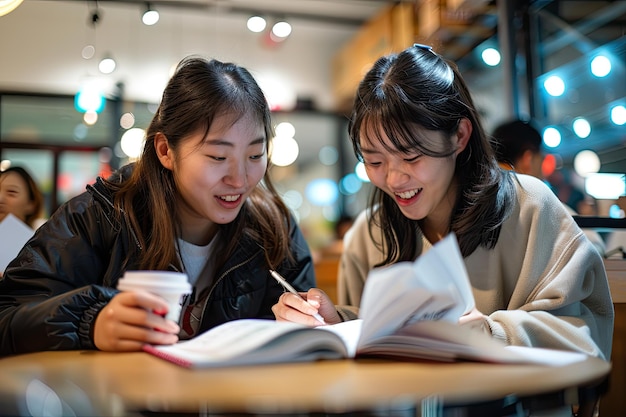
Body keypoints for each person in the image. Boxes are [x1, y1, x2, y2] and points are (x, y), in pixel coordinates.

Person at [272, 44, 613, 362]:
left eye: (411, 155)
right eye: (375, 162)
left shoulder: (530, 207)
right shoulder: (369, 234)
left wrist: (492, 335)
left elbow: (586, 332)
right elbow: (371, 341)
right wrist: (336, 322)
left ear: (460, 136)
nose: (393, 180)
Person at [0, 56, 315, 356]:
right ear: (166, 151)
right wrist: (89, 323)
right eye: (219, 157)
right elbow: (8, 315)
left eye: (255, 156)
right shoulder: (100, 216)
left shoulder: (273, 228)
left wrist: (312, 323)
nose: (240, 179)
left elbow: (303, 328)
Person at [491, 119, 606, 256]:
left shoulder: (477, 193)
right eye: (541, 160)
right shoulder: (534, 195)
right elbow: (593, 247)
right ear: (528, 158)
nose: (543, 174)